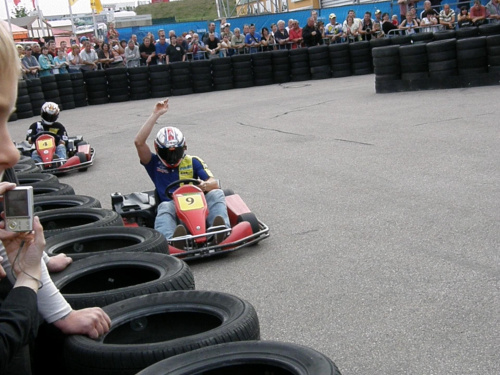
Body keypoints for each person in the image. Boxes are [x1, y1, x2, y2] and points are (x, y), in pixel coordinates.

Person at [0, 24, 111, 374]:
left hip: (58, 150)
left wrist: (33, 267)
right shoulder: (36, 131)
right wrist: (29, 278)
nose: (11, 154)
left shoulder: (58, 131)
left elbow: (14, 253)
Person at [134, 99, 230, 243]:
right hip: (173, 207)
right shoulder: (154, 163)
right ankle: (170, 240)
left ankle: (220, 231)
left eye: (176, 152)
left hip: (199, 205)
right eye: (167, 153)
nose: (172, 157)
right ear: (157, 149)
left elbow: (213, 183)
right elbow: (139, 142)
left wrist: (203, 186)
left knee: (217, 193)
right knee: (165, 206)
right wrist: (156, 114)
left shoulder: (193, 161)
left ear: (183, 147)